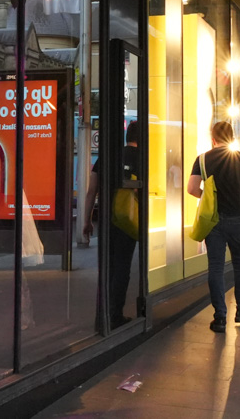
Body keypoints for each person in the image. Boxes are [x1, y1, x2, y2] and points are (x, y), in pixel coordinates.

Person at [187, 120, 240, 333]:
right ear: (232, 137)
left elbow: (192, 188)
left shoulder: (202, 159)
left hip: (214, 221)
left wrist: (209, 198)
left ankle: (220, 318)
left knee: (216, 267)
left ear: (213, 139)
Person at [82, 122, 140, 328]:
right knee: (123, 267)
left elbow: (92, 191)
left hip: (106, 219)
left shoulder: (106, 157)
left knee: (108, 266)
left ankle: (103, 312)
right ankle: (115, 314)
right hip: (128, 220)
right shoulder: (142, 158)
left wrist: (87, 220)